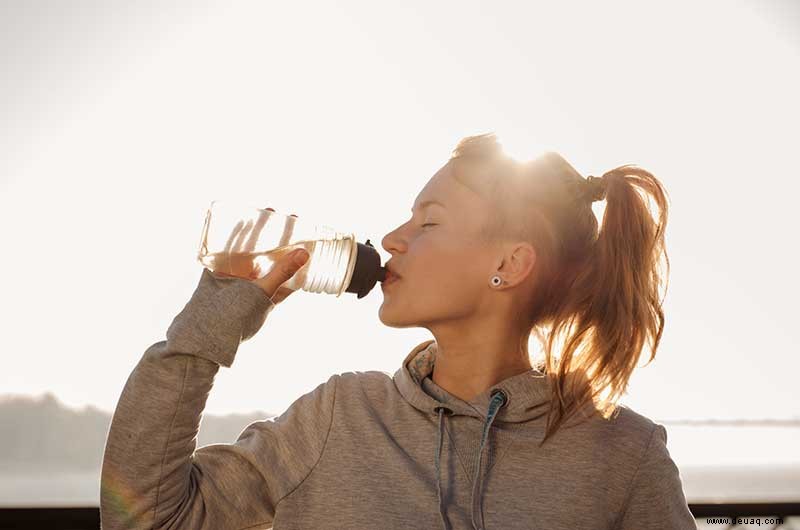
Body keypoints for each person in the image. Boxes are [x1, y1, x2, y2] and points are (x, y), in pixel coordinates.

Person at [100, 133, 697, 529]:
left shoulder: (624, 457)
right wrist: (215, 316)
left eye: (429, 221)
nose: (391, 239)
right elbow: (144, 519)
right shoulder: (338, 417)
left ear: (508, 264)